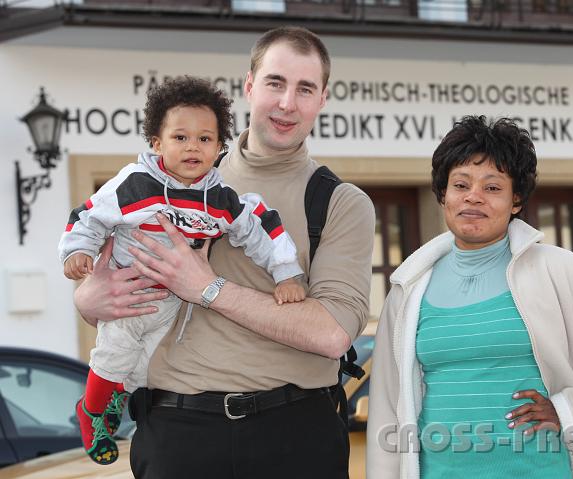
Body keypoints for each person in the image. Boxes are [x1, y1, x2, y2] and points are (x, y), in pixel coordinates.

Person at [73, 26, 375, 478]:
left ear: (322, 99)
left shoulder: (339, 202)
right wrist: (86, 298)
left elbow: (333, 334)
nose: (287, 103)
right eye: (275, 83)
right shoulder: (161, 179)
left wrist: (207, 288)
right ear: (250, 86)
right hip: (177, 432)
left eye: (305, 89)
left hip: (294, 434)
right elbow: (104, 273)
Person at [367, 115, 573, 479]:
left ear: (516, 201)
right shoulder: (409, 287)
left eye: (493, 188)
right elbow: (387, 405)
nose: (473, 197)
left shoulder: (557, 270)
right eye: (460, 184)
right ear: (443, 195)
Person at [59, 76, 305, 465]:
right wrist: (77, 251)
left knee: (146, 364)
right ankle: (90, 412)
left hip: (173, 304)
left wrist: (286, 273)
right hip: (129, 289)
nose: (193, 146)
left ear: (218, 147)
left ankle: (113, 399)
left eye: (205, 139)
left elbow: (261, 226)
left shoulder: (221, 199)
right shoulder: (137, 184)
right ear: (157, 143)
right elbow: (89, 215)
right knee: (117, 349)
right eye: (180, 137)